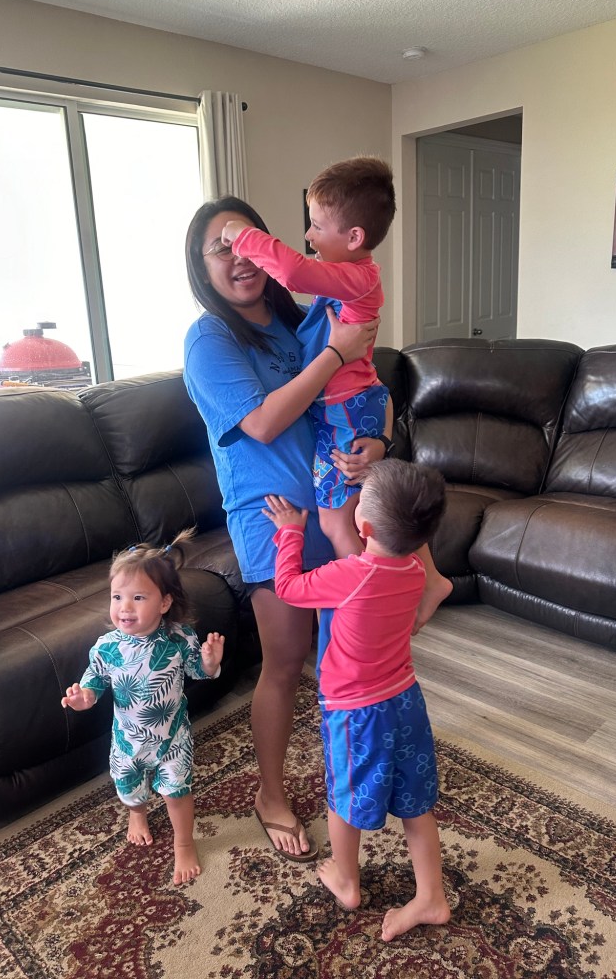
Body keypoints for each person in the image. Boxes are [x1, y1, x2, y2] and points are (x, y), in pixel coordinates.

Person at [183, 195, 384, 862]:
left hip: (334, 505)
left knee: (345, 661)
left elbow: (362, 387)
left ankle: (347, 776)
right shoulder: (209, 339)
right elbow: (264, 423)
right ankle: (270, 794)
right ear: (200, 265)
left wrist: (378, 441)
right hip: (271, 519)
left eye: (245, 243)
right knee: (286, 659)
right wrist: (332, 356)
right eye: (219, 249)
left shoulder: (297, 318)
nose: (237, 259)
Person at [263, 458, 451, 942]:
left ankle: (347, 880)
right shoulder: (414, 569)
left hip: (355, 714)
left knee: (344, 797)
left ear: (362, 527)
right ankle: (431, 896)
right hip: (405, 701)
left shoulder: (350, 574)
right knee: (415, 803)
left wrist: (290, 533)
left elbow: (288, 587)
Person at [219, 156, 394, 561]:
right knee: (368, 513)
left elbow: (293, 272)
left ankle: (366, 588)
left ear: (354, 237)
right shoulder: (348, 279)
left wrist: (243, 237)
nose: (308, 236)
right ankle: (404, 581)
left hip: (345, 408)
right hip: (348, 407)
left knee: (339, 522)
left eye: (316, 225)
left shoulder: (357, 278)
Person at [60, 530, 224, 886]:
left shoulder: (179, 638)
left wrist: (210, 663)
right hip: (127, 741)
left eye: (138, 597)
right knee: (129, 788)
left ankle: (184, 843)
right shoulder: (107, 647)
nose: (125, 607)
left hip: (172, 739)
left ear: (164, 603)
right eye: (117, 596)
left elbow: (198, 671)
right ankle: (137, 813)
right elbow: (94, 681)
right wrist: (84, 698)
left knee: (177, 792)